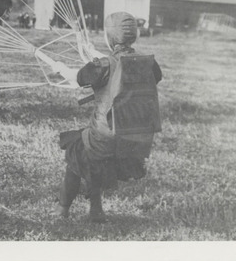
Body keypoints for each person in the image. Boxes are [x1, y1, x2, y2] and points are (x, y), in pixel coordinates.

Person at [57, 11, 163, 222]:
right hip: (133, 140)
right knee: (93, 157)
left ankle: (62, 211)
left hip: (105, 139)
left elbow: (79, 77)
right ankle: (96, 210)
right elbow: (125, 66)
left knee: (77, 152)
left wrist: (60, 68)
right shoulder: (148, 64)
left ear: (109, 37)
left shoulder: (103, 65)